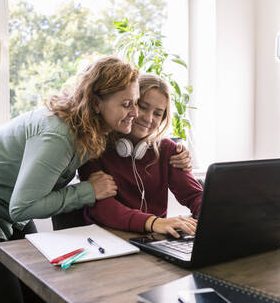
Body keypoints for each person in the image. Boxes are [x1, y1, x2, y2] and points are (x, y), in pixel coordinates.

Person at [0, 56, 140, 303]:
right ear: (95, 103)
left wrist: (176, 155)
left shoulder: (91, 128)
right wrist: (87, 191)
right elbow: (23, 208)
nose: (135, 112)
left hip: (6, 212)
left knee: (42, 294)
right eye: (126, 104)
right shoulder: (58, 136)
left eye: (136, 102)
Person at [78, 74, 203, 238]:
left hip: (151, 240)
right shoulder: (95, 147)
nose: (148, 118)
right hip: (106, 240)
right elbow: (102, 208)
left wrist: (211, 220)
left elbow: (195, 196)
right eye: (143, 107)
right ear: (129, 104)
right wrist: (153, 222)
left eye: (158, 113)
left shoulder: (167, 150)